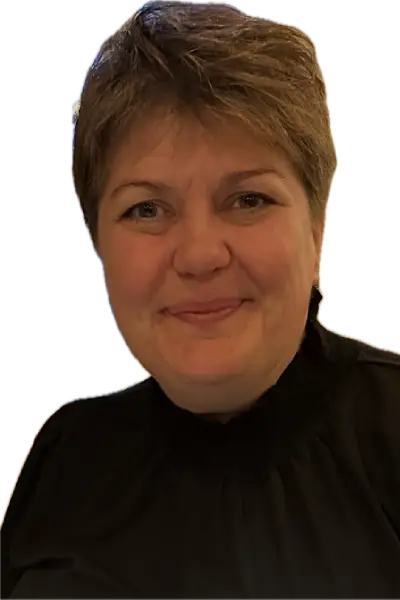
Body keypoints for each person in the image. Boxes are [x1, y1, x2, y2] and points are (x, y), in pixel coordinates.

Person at [1, 2, 399, 599]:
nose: (199, 255)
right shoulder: (67, 459)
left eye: (249, 199)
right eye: (146, 209)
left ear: (317, 227)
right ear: (101, 245)